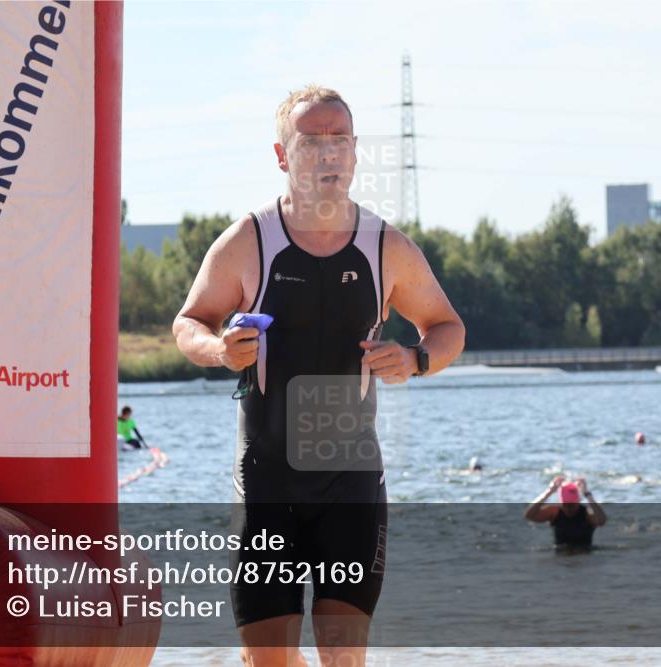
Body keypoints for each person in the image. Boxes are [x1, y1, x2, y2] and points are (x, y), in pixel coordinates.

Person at [172, 84, 465, 667]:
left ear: (356, 154)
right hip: (267, 478)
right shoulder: (249, 241)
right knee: (270, 661)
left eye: (340, 140)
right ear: (283, 156)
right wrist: (220, 350)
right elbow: (189, 322)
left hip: (350, 481)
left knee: (342, 653)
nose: (328, 153)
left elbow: (446, 327)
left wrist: (415, 359)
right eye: (312, 142)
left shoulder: (387, 248)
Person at [524, 476, 606, 551]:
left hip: (584, 556)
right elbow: (529, 515)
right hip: (560, 559)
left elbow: (601, 521)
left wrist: (588, 495)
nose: (568, 508)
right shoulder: (554, 512)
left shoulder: (587, 513)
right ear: (561, 503)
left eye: (572, 505)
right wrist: (549, 492)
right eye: (565, 505)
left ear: (578, 502)